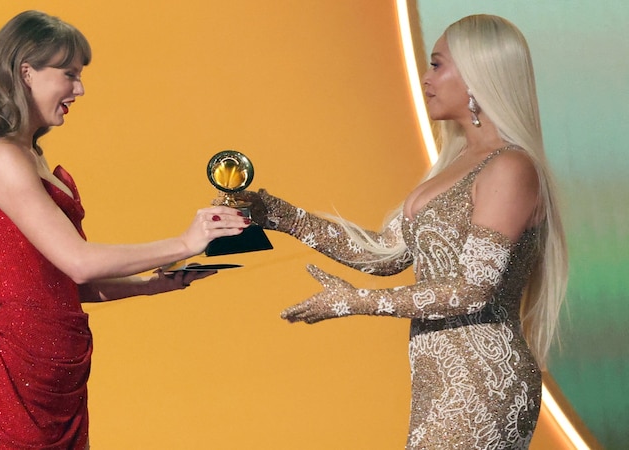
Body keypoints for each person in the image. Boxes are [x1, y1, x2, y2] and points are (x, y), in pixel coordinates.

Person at [240, 14, 567, 449]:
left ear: (477, 76)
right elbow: (384, 255)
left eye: (437, 65)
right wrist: (282, 216)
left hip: (481, 381)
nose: (426, 78)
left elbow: (474, 289)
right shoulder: (454, 167)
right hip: (440, 380)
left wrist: (357, 302)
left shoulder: (510, 167)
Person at [0, 10, 249, 449]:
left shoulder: (29, 157)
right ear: (26, 72)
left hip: (56, 367)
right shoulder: (1, 158)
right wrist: (183, 241)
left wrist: (149, 285)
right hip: (14, 373)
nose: (79, 89)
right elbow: (78, 263)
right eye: (69, 74)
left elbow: (61, 285)